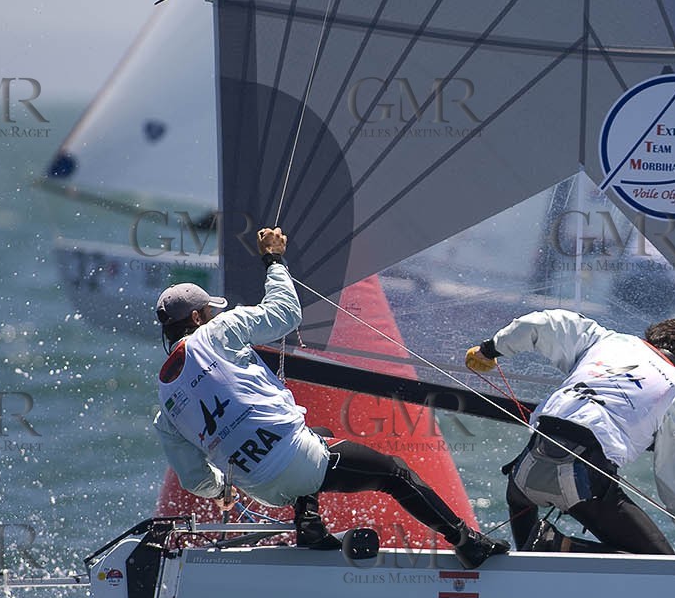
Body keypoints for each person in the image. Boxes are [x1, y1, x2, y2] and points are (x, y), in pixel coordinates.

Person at [153, 226, 508, 568]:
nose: (215, 315)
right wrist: (274, 261)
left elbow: (193, 478)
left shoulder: (166, 404)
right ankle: (468, 543)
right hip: (298, 465)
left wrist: (220, 492)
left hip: (258, 487)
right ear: (198, 316)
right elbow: (286, 314)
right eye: (210, 311)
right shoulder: (217, 332)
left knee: (319, 432)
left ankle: (310, 526)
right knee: (395, 475)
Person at [465, 310, 675, 556]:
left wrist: (491, 349)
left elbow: (541, 323)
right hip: (582, 480)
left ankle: (524, 568)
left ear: (650, 339)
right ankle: (553, 545)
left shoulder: (605, 340)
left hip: (524, 471)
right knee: (663, 565)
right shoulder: (674, 389)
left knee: (524, 529)